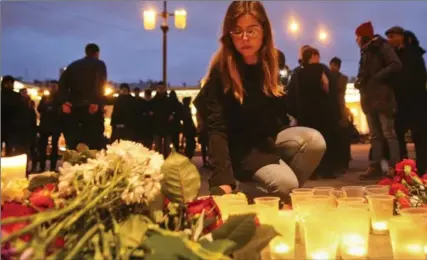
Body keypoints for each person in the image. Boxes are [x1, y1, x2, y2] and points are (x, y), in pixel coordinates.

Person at [193, 1, 326, 198]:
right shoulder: (221, 71)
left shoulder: (272, 63)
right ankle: (245, 190)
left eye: (251, 30)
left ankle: (280, 193)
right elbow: (216, 129)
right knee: (285, 184)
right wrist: (223, 178)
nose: (244, 38)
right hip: (239, 149)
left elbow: (279, 114)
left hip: (266, 142)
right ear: (229, 35)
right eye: (237, 31)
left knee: (314, 142)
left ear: (264, 31)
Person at [354, 21, 402, 179]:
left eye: (358, 36)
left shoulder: (381, 46)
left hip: (383, 98)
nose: (356, 40)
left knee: (389, 134)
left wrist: (376, 77)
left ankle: (396, 168)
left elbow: (396, 64)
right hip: (369, 99)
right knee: (375, 135)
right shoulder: (365, 51)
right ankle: (375, 167)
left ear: (364, 36)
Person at [288, 47, 339, 179]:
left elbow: (292, 93)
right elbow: (328, 87)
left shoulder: (297, 72)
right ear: (313, 56)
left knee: (309, 143)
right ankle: (327, 170)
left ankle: (311, 171)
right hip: (323, 113)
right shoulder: (321, 69)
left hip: (305, 114)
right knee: (325, 141)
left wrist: (297, 113)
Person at [386, 27, 427, 174]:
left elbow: (420, 78)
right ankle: (404, 168)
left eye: (392, 37)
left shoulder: (414, 54)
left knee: (419, 136)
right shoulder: (394, 56)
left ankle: (422, 168)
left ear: (401, 37)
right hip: (400, 102)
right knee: (399, 134)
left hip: (416, 102)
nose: (389, 40)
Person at [59, 43, 107, 150]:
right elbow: (100, 83)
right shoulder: (99, 64)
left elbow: (62, 84)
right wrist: (97, 101)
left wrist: (65, 101)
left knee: (76, 141)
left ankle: (75, 163)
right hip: (91, 107)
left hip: (74, 108)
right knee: (93, 141)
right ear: (97, 53)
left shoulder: (73, 65)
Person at [329, 57, 351, 173]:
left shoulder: (342, 78)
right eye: (331, 65)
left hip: (340, 110)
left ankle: (344, 163)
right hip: (334, 110)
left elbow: (338, 90)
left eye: (334, 65)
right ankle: (339, 163)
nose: (333, 67)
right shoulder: (330, 76)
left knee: (342, 137)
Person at [37, 81, 62, 172]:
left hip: (55, 125)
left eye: (54, 86)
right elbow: (39, 109)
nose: (52, 88)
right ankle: (42, 167)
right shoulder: (45, 98)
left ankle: (52, 167)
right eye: (51, 86)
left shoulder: (59, 98)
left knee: (54, 147)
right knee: (42, 147)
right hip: (45, 125)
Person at [1, 75, 26, 156]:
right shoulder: (16, 96)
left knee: (10, 149)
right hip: (11, 128)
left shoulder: (16, 96)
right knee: (9, 150)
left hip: (11, 128)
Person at [151, 82, 175, 158]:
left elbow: (174, 111)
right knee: (158, 148)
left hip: (167, 126)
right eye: (159, 88)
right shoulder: (153, 101)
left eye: (162, 88)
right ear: (157, 89)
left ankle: (166, 163)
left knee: (167, 148)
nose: (161, 90)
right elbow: (149, 111)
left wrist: (172, 115)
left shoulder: (169, 101)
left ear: (164, 89)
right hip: (157, 126)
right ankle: (158, 163)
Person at [19, 88, 38, 174]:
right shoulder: (20, 103)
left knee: (30, 150)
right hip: (24, 131)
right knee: (25, 150)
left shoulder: (29, 103)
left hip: (29, 131)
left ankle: (33, 166)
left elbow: (33, 117)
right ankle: (26, 168)